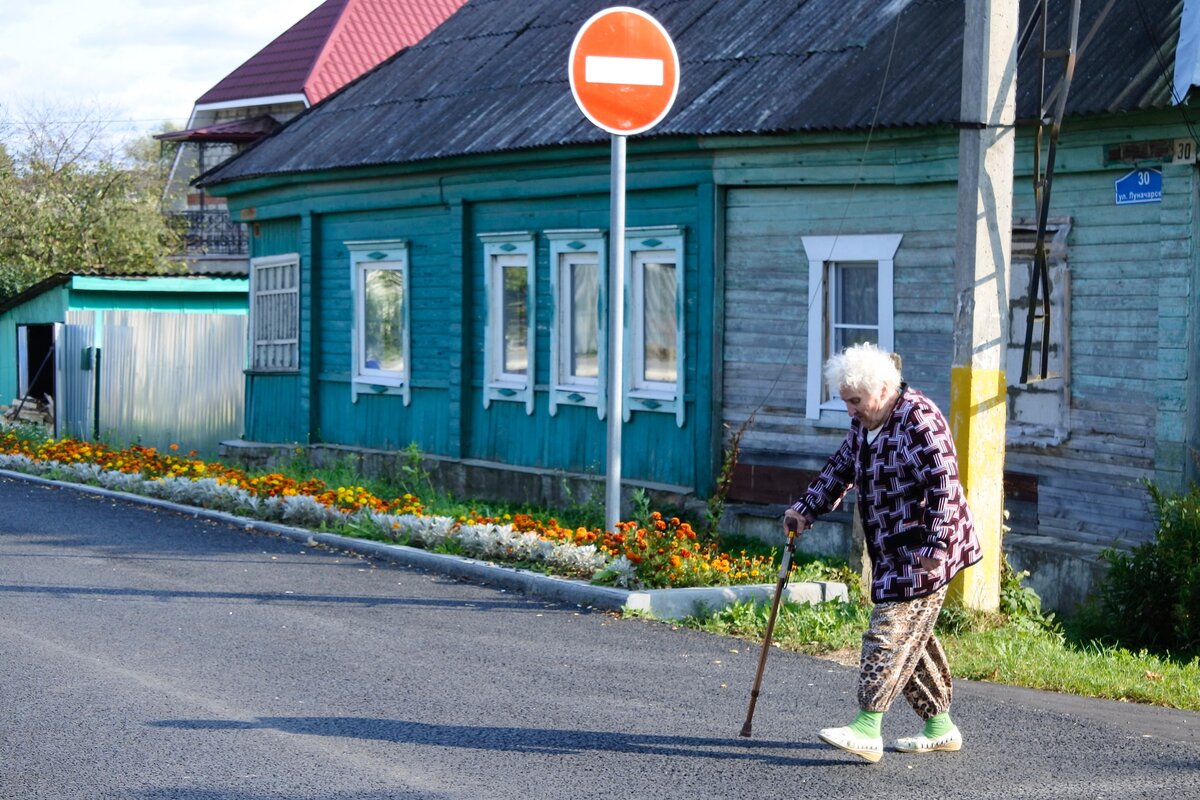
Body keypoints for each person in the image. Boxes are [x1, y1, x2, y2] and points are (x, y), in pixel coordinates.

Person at [784, 342, 981, 763]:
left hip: (925, 551)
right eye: (846, 402)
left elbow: (945, 484)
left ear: (882, 388)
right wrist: (805, 509)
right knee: (913, 642)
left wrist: (936, 544)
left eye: (854, 401)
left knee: (888, 635)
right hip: (891, 549)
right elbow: (842, 466)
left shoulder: (919, 419)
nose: (850, 410)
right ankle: (940, 726)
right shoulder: (866, 422)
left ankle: (867, 728)